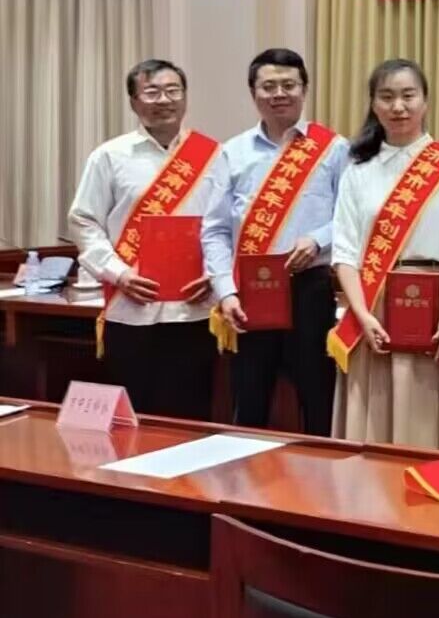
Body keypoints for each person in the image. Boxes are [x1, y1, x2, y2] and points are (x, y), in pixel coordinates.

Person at [329, 59, 439, 451]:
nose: (398, 106)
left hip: (436, 307)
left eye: (408, 95)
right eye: (387, 97)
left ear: (425, 101)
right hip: (374, 305)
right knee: (374, 419)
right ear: (373, 104)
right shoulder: (358, 170)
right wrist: (362, 315)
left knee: (429, 419)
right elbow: (345, 251)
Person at [68, 59, 226, 419]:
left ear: (185, 97)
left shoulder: (214, 155)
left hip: (194, 309)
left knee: (191, 416)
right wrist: (119, 273)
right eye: (152, 92)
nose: (164, 100)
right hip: (131, 307)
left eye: (173, 91)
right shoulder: (110, 156)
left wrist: (215, 274)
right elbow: (83, 221)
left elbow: (228, 226)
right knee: (136, 419)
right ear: (134, 101)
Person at [202, 48, 349, 434]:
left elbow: (352, 219)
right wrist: (226, 292)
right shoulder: (232, 152)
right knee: (249, 400)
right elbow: (214, 230)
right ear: (253, 93)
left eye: (288, 85)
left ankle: (320, 470)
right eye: (269, 86)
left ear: (305, 90)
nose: (279, 93)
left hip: (310, 289)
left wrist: (318, 240)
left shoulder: (334, 149)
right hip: (250, 293)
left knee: (317, 398)